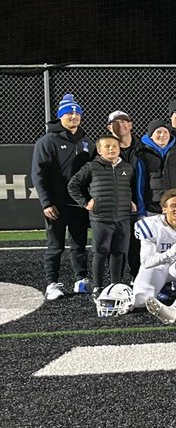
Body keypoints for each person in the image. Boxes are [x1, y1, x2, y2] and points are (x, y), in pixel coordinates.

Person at [32, 94, 94, 300]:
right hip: (56, 204)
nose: (74, 116)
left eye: (77, 113)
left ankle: (81, 279)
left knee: (79, 244)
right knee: (55, 246)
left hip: (78, 203)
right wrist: (46, 202)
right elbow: (38, 174)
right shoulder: (47, 141)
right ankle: (52, 283)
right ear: (60, 116)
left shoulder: (87, 142)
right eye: (69, 113)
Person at [68, 134, 138, 299]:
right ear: (99, 150)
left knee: (119, 252)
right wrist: (85, 203)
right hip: (101, 218)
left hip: (122, 218)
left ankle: (116, 285)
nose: (111, 149)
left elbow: (132, 188)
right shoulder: (91, 167)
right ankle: (98, 287)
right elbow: (73, 185)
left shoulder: (127, 168)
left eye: (114, 146)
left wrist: (131, 201)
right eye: (107, 146)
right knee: (100, 252)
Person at [134, 119, 176, 216]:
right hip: (153, 208)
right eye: (158, 132)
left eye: (165, 132)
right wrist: (141, 210)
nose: (162, 135)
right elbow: (140, 184)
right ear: (151, 135)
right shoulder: (143, 155)